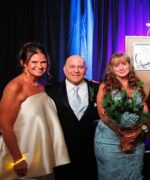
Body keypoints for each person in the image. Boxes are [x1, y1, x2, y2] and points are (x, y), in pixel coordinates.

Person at [0, 42, 70, 179]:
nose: (40, 66)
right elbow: (4, 125)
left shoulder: (41, 84)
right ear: (23, 63)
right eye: (34, 62)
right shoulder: (15, 87)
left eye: (43, 62)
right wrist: (18, 159)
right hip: (20, 155)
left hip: (40, 154)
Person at [46, 55, 100, 180]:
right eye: (72, 67)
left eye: (80, 67)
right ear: (64, 69)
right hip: (63, 152)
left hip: (91, 153)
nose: (76, 71)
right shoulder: (51, 91)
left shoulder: (97, 88)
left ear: (85, 70)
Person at [94, 53, 147, 180]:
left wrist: (139, 131)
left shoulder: (137, 86)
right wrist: (121, 132)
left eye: (124, 63)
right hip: (109, 140)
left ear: (129, 65)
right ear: (111, 69)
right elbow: (102, 113)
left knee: (134, 174)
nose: (121, 67)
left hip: (135, 140)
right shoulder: (104, 86)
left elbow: (145, 111)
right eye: (117, 65)